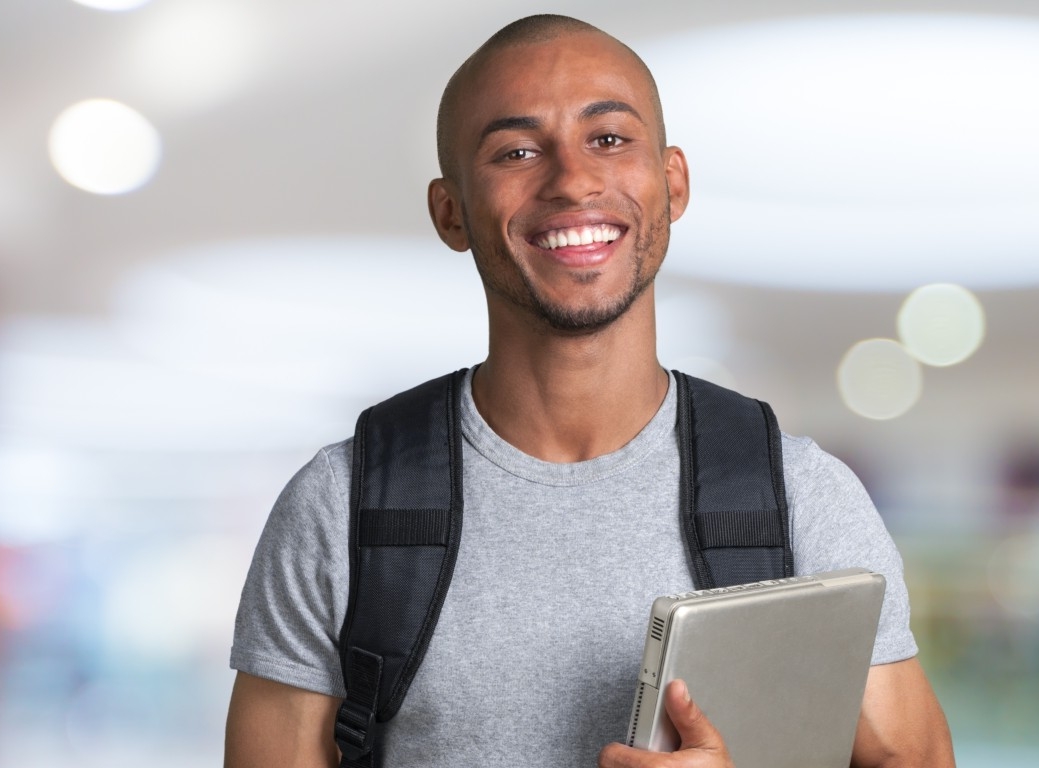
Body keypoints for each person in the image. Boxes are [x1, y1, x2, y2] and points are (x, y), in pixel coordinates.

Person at [223, 14, 955, 768]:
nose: (572, 179)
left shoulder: (802, 497)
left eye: (608, 138)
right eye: (516, 150)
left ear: (672, 182)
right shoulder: (339, 507)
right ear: (451, 213)